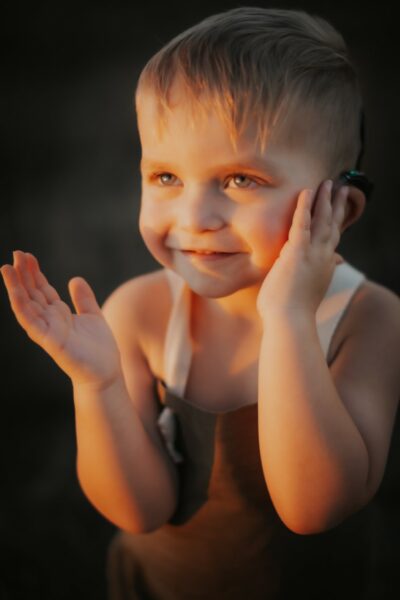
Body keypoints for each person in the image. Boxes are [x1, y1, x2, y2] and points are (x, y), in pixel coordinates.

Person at [1, 6, 400, 599]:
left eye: (241, 179)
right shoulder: (140, 314)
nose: (194, 218)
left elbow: (313, 508)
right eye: (165, 177)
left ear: (337, 210)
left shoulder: (369, 320)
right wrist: (99, 386)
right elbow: (140, 511)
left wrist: (290, 316)